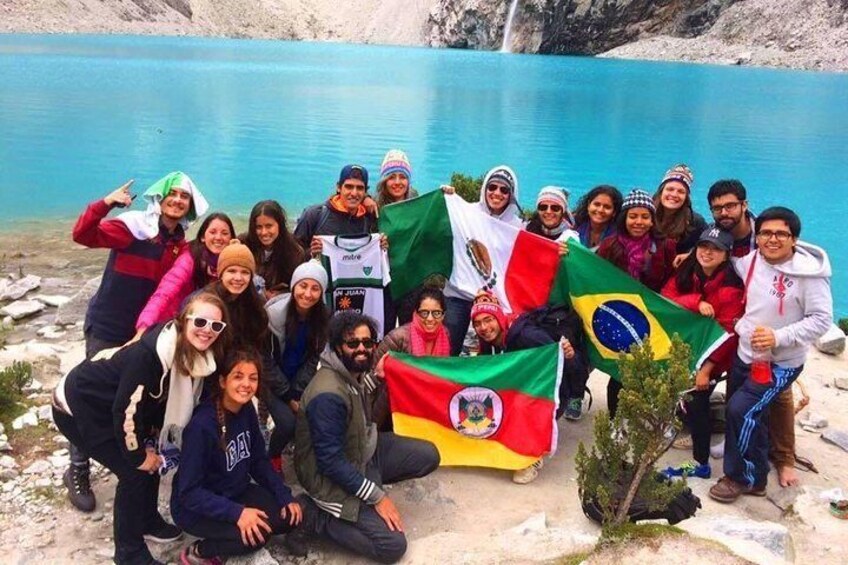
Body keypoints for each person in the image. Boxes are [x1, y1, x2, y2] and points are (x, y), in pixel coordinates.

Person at [51, 292, 229, 565]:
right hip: (79, 406)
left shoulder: (194, 353)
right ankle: (129, 552)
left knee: (153, 459)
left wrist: (152, 440)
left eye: (216, 326)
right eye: (201, 322)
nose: (207, 331)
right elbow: (126, 409)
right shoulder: (151, 355)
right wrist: (137, 455)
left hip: (112, 406)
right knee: (134, 471)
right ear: (183, 320)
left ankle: (147, 519)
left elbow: (157, 399)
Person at [68, 171, 208, 513]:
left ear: (190, 207)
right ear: (159, 198)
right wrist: (104, 204)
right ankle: (78, 468)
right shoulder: (133, 229)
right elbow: (83, 235)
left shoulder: (182, 247)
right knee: (92, 396)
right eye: (171, 194)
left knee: (133, 398)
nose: (177, 200)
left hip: (146, 336)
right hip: (109, 325)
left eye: (184, 197)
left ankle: (128, 458)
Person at [288, 311, 440, 563]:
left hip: (362, 451)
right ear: (337, 346)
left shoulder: (347, 373)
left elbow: (355, 399)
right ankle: (315, 516)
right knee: (392, 546)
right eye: (353, 343)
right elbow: (330, 462)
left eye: (368, 343)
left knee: (428, 456)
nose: (362, 348)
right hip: (329, 476)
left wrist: (376, 378)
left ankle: (369, 484)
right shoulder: (327, 394)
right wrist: (377, 497)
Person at [709, 207, 832, 503]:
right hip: (746, 352)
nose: (772, 239)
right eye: (765, 233)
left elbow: (821, 319)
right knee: (753, 415)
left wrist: (779, 336)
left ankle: (746, 478)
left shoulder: (809, 276)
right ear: (757, 236)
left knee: (740, 409)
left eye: (781, 233)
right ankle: (757, 465)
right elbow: (727, 261)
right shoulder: (752, 261)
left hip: (780, 362)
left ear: (794, 239)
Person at [172, 350, 303, 564]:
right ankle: (200, 551)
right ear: (223, 381)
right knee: (257, 536)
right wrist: (237, 514)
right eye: (238, 376)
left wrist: (283, 495)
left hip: (235, 492)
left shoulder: (245, 410)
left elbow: (258, 461)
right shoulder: (202, 426)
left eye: (253, 378)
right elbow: (189, 493)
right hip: (195, 508)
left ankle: (231, 532)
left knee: (288, 516)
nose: (246, 384)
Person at [707, 180, 798, 486]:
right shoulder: (719, 235)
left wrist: (782, 334)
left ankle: (784, 457)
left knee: (779, 395)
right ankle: (738, 443)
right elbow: (716, 259)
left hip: (775, 334)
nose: (724, 212)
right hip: (742, 325)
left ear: (745, 205)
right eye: (718, 208)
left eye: (730, 205)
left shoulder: (770, 234)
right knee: (740, 388)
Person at [469, 292, 583, 483]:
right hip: (522, 388)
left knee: (519, 408)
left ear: (499, 317)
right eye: (477, 323)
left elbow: (568, 366)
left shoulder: (526, 335)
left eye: (488, 320)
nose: (484, 328)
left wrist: (569, 356)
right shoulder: (489, 344)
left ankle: (531, 457)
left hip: (547, 394)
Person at [661, 226, 745, 479]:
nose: (708, 252)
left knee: (698, 402)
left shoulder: (731, 288)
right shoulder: (689, 271)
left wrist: (707, 369)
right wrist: (696, 303)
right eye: (704, 246)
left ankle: (701, 463)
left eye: (716, 249)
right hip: (686, 347)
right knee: (683, 395)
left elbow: (729, 334)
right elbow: (666, 296)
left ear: (726, 255)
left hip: (714, 355)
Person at [597, 189, 677, 418]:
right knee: (620, 369)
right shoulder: (610, 245)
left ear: (653, 220)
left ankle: (643, 413)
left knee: (650, 366)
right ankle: (615, 417)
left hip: (653, 313)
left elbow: (672, 279)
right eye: (633, 216)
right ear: (625, 218)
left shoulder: (665, 246)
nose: (638, 222)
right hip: (620, 312)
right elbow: (598, 278)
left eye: (644, 216)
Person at [443, 165, 523, 355]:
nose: (497, 193)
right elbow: (436, 221)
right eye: (492, 187)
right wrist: (445, 198)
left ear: (511, 195)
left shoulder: (518, 227)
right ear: (484, 188)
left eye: (504, 190)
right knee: (449, 346)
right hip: (459, 293)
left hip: (494, 299)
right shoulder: (465, 212)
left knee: (492, 353)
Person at [264, 261, 330, 471]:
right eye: (303, 286)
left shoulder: (323, 317)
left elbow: (313, 359)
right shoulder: (273, 316)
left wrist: (297, 391)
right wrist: (288, 396)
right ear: (293, 286)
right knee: (287, 422)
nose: (308, 294)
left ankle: (302, 452)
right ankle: (271, 458)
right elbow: (265, 360)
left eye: (315, 288)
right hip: (271, 379)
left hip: (297, 380)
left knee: (316, 412)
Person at [136, 212, 235, 334]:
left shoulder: (233, 262)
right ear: (203, 237)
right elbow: (165, 291)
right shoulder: (190, 257)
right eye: (213, 232)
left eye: (224, 233)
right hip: (176, 319)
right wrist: (144, 326)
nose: (218, 237)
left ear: (231, 239)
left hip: (209, 323)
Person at [370, 287, 452, 429]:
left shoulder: (445, 335)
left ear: (443, 315)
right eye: (424, 313)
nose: (430, 319)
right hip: (391, 412)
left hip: (428, 409)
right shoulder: (397, 338)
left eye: (436, 313)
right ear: (415, 313)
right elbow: (372, 378)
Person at [373, 150, 419, 326]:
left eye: (403, 177)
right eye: (392, 177)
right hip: (383, 281)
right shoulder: (374, 207)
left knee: (410, 330)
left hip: (410, 280)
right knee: (384, 329)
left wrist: (446, 195)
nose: (398, 182)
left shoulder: (416, 200)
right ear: (384, 180)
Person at [294, 164, 379, 257]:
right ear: (338, 187)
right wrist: (311, 252)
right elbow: (292, 253)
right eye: (349, 186)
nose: (354, 193)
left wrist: (381, 245)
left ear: (365, 191)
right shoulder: (314, 215)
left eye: (360, 188)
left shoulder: (369, 219)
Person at [243, 200, 306, 300]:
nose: (264, 232)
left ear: (280, 224)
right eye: (258, 227)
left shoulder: (295, 252)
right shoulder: (243, 244)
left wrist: (279, 294)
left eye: (269, 226)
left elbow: (298, 286)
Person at [652, 164, 707, 255]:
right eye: (670, 189)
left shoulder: (695, 222)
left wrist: (691, 255)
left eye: (681, 191)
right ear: (661, 192)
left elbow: (709, 244)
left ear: (686, 197)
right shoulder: (645, 212)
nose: (674, 195)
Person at [572, 185, 623, 251]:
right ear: (588, 205)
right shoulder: (575, 227)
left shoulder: (618, 239)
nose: (600, 210)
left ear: (614, 212)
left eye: (607, 207)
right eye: (597, 204)